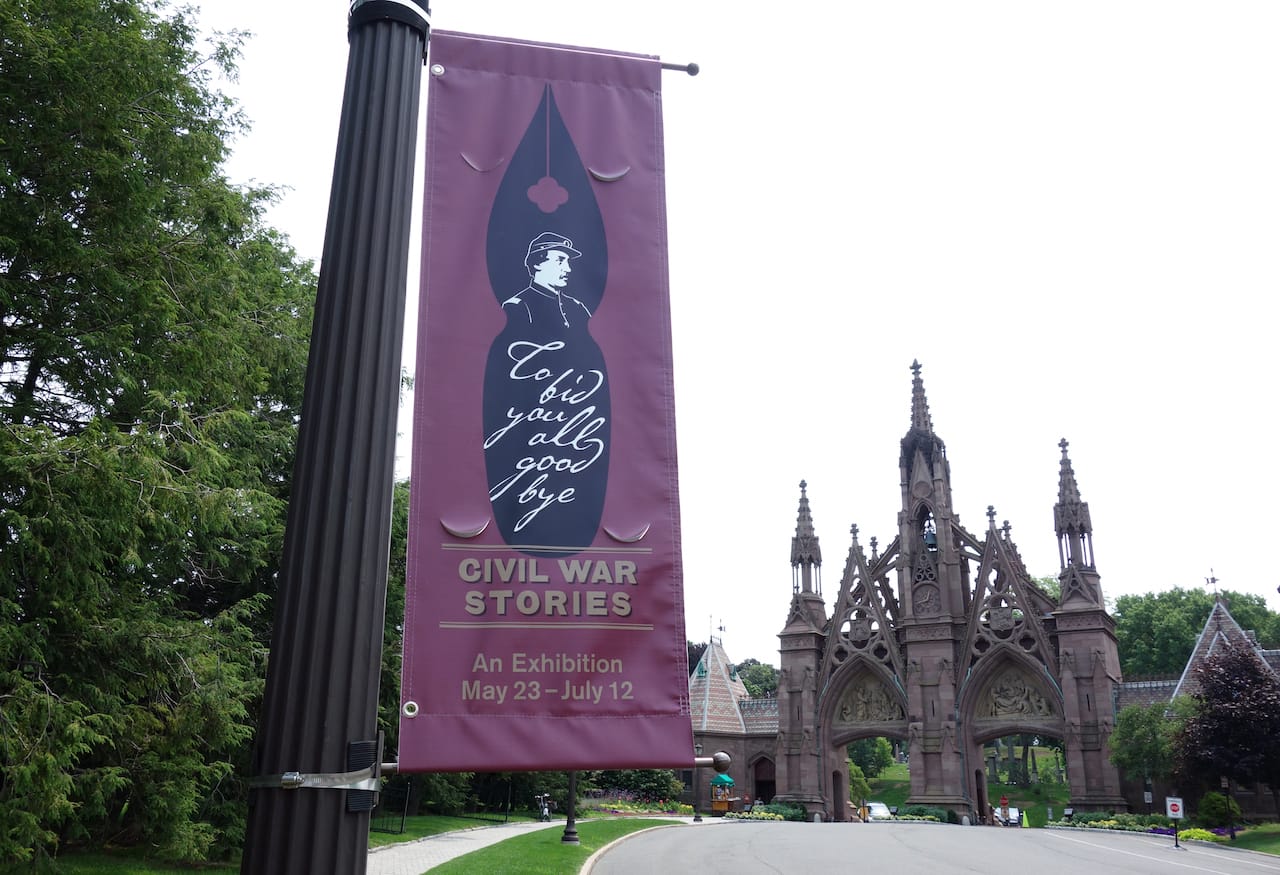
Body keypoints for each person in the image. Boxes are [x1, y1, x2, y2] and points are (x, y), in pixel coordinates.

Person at [501, 231, 592, 329]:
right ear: (538, 264)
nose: (568, 269)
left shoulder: (576, 306)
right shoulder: (518, 306)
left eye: (568, 261)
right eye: (560, 261)